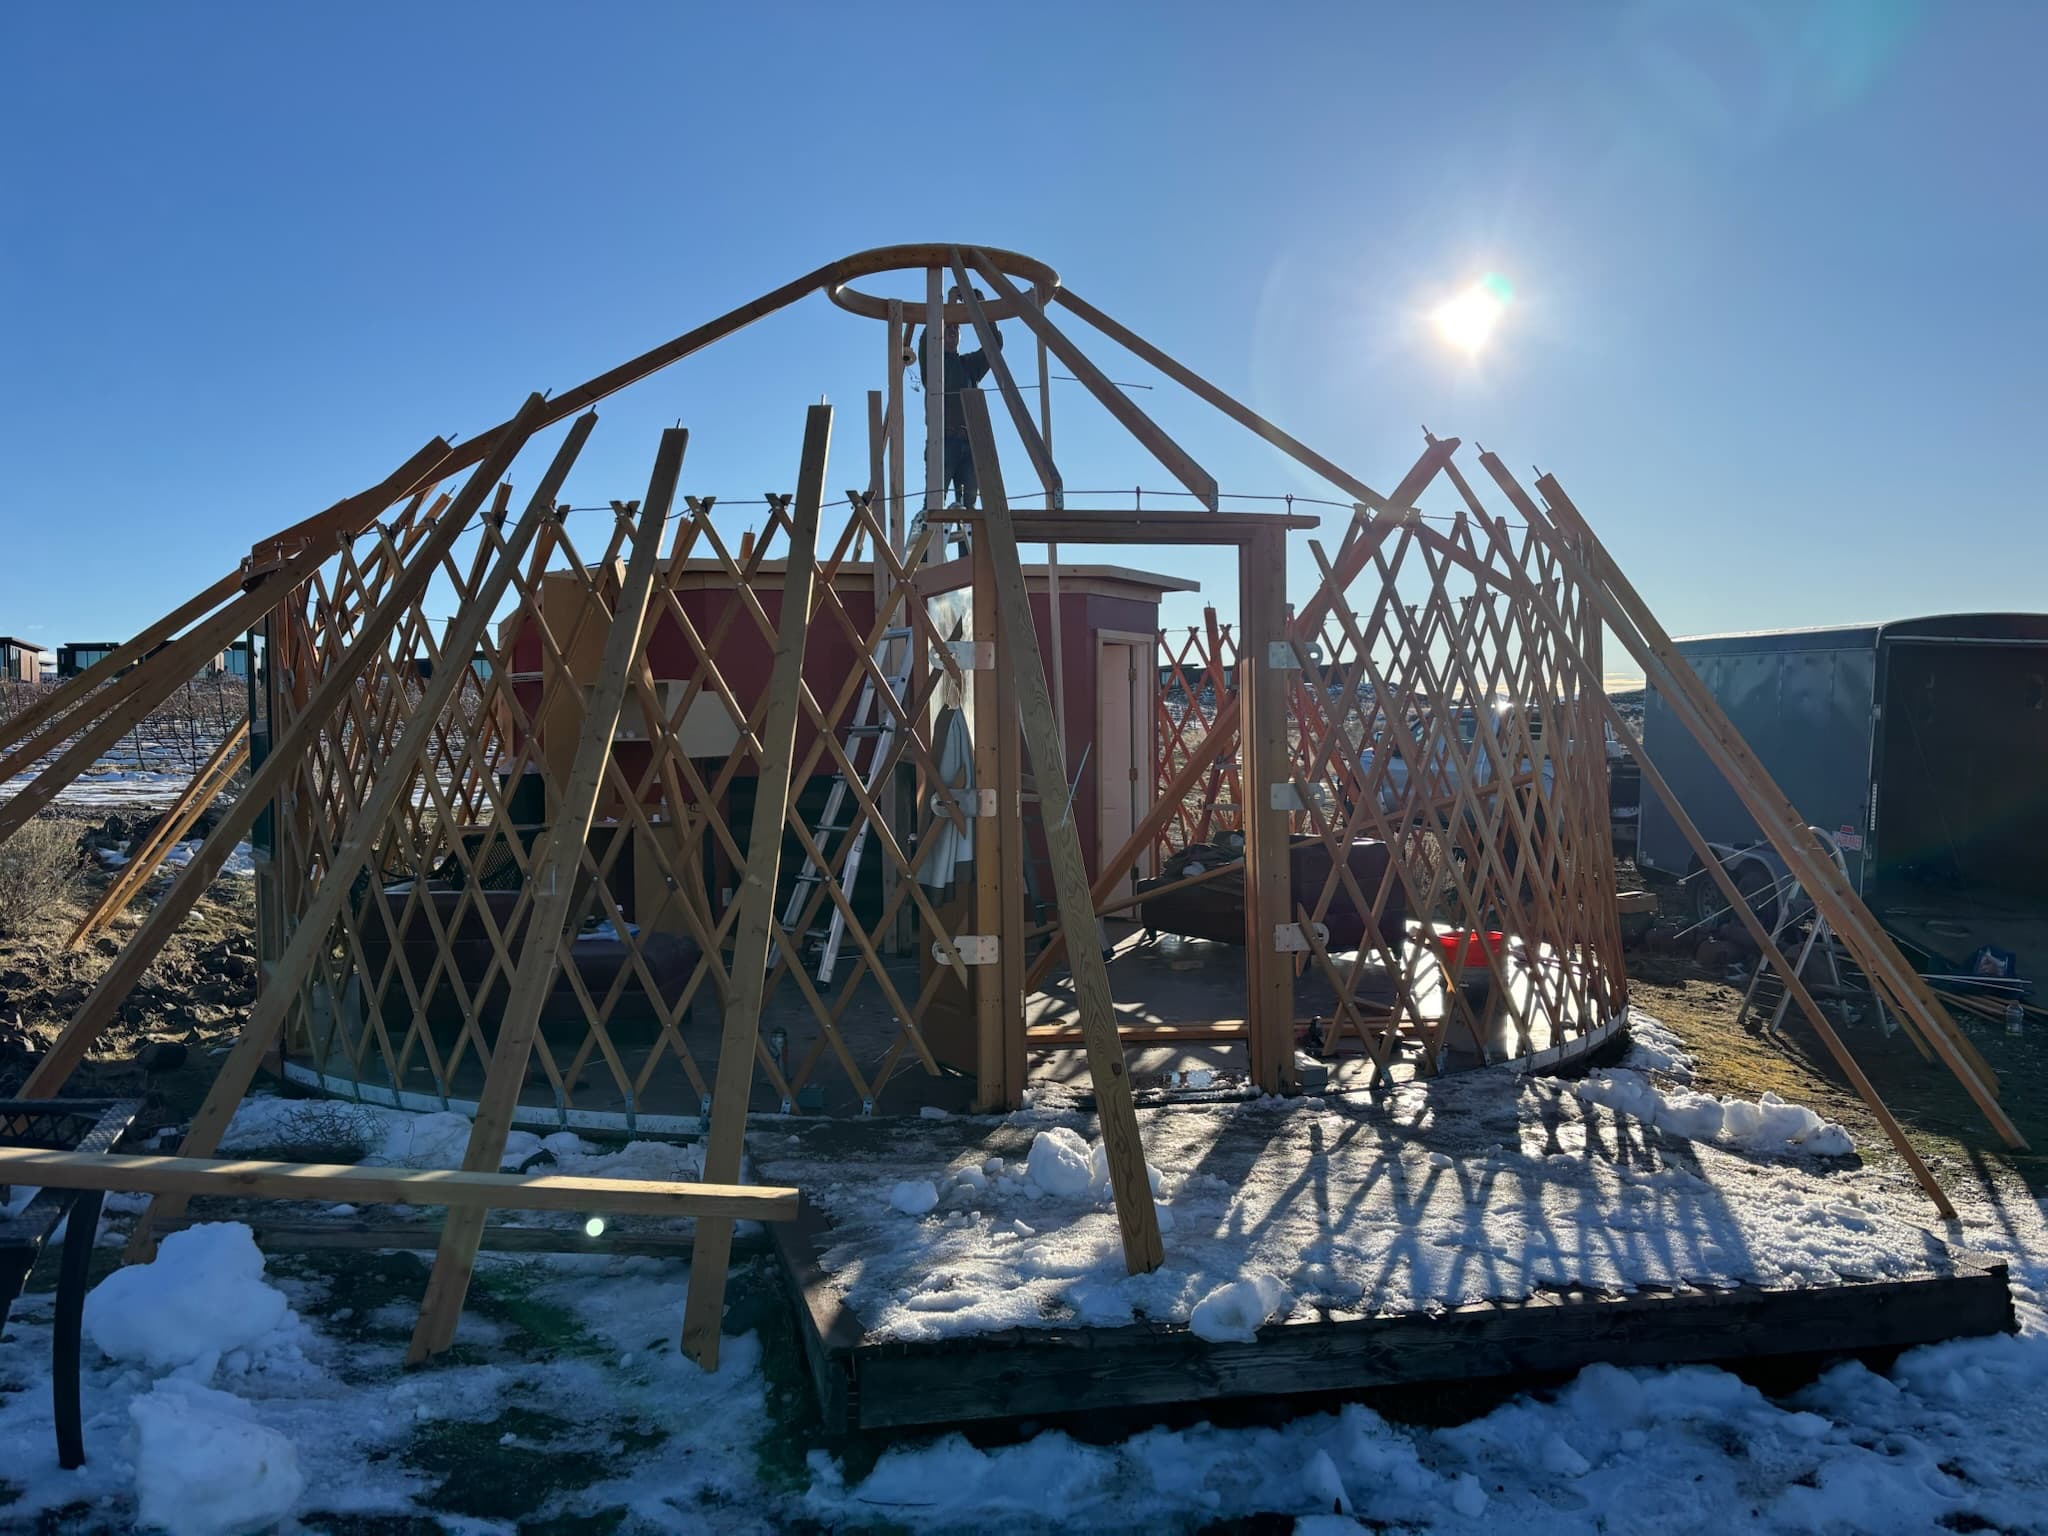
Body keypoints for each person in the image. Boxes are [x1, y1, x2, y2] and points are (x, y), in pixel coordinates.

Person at [909, 291, 1003, 509]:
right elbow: (927, 337)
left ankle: (967, 545)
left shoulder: (968, 365)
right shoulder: (933, 363)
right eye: (947, 328)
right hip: (942, 442)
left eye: (956, 329)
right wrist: (950, 305)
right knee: (934, 505)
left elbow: (994, 345)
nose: (951, 332)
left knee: (968, 510)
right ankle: (929, 542)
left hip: (969, 444)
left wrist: (981, 306)